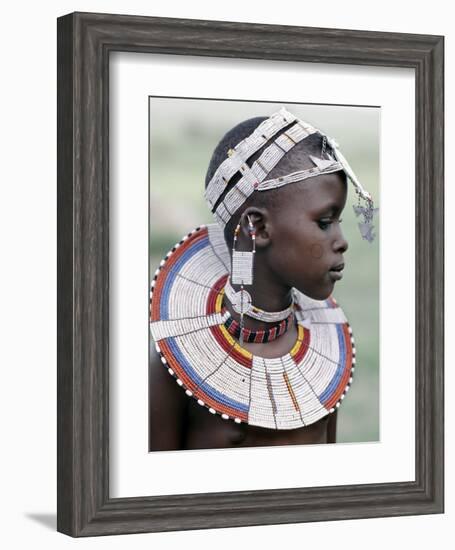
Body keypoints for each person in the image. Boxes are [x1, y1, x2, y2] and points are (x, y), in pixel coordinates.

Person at [149, 107, 377, 451]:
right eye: (325, 221)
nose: (342, 240)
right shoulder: (172, 368)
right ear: (256, 227)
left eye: (340, 220)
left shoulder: (330, 357)